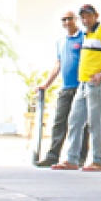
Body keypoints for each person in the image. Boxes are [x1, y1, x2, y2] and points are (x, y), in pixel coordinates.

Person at [52, 5, 101, 172]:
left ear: (96, 16)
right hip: (83, 84)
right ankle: (72, 159)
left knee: (95, 122)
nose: (86, 20)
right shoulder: (86, 35)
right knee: (75, 120)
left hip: (97, 84)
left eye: (89, 16)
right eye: (83, 17)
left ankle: (98, 160)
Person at [35, 10, 88, 167]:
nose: (67, 22)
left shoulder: (84, 37)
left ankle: (79, 157)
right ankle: (53, 155)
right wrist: (46, 83)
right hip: (66, 87)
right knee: (59, 122)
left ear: (76, 20)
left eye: (69, 19)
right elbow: (58, 63)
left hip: (81, 87)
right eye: (64, 20)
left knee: (81, 124)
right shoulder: (61, 42)